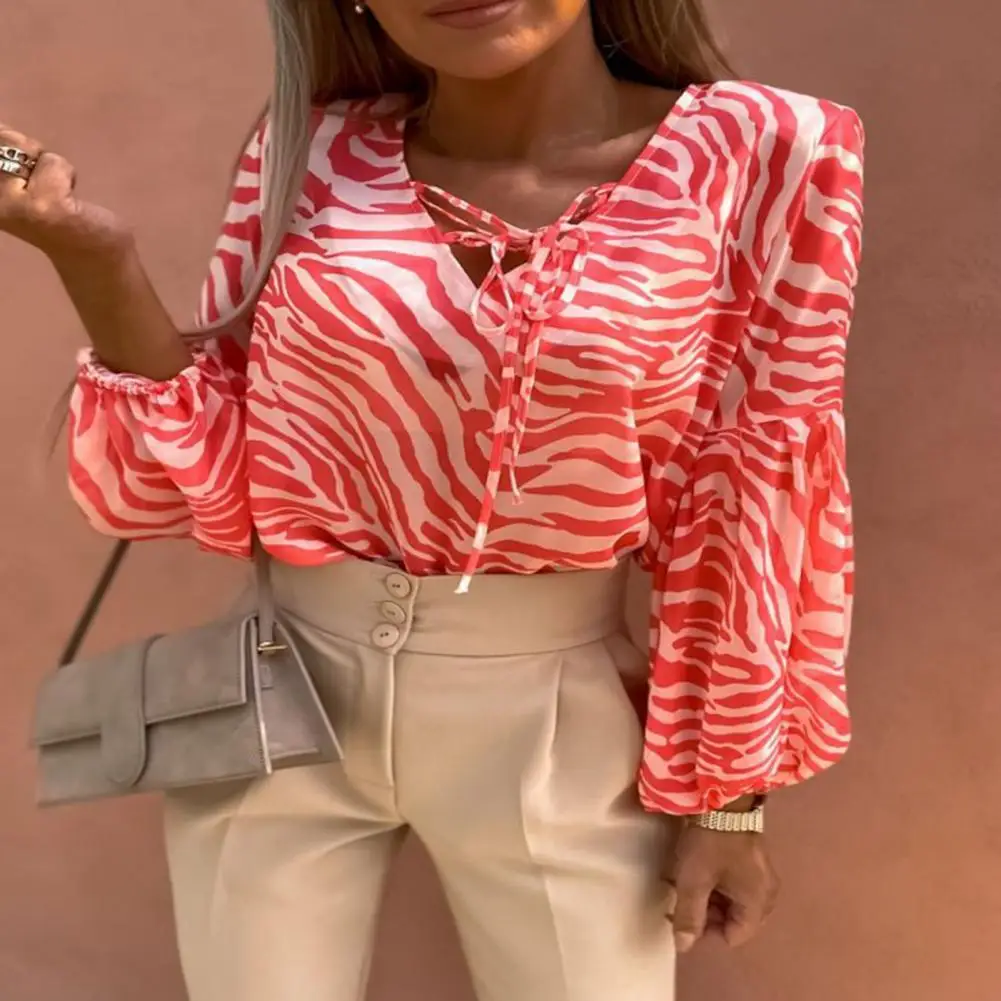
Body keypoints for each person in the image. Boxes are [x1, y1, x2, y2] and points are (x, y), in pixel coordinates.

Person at [0, 1, 864, 999]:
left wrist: (727, 800)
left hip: (549, 713)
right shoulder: (312, 144)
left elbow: (753, 482)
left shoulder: (768, 150)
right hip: (282, 691)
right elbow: (216, 481)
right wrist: (90, 253)